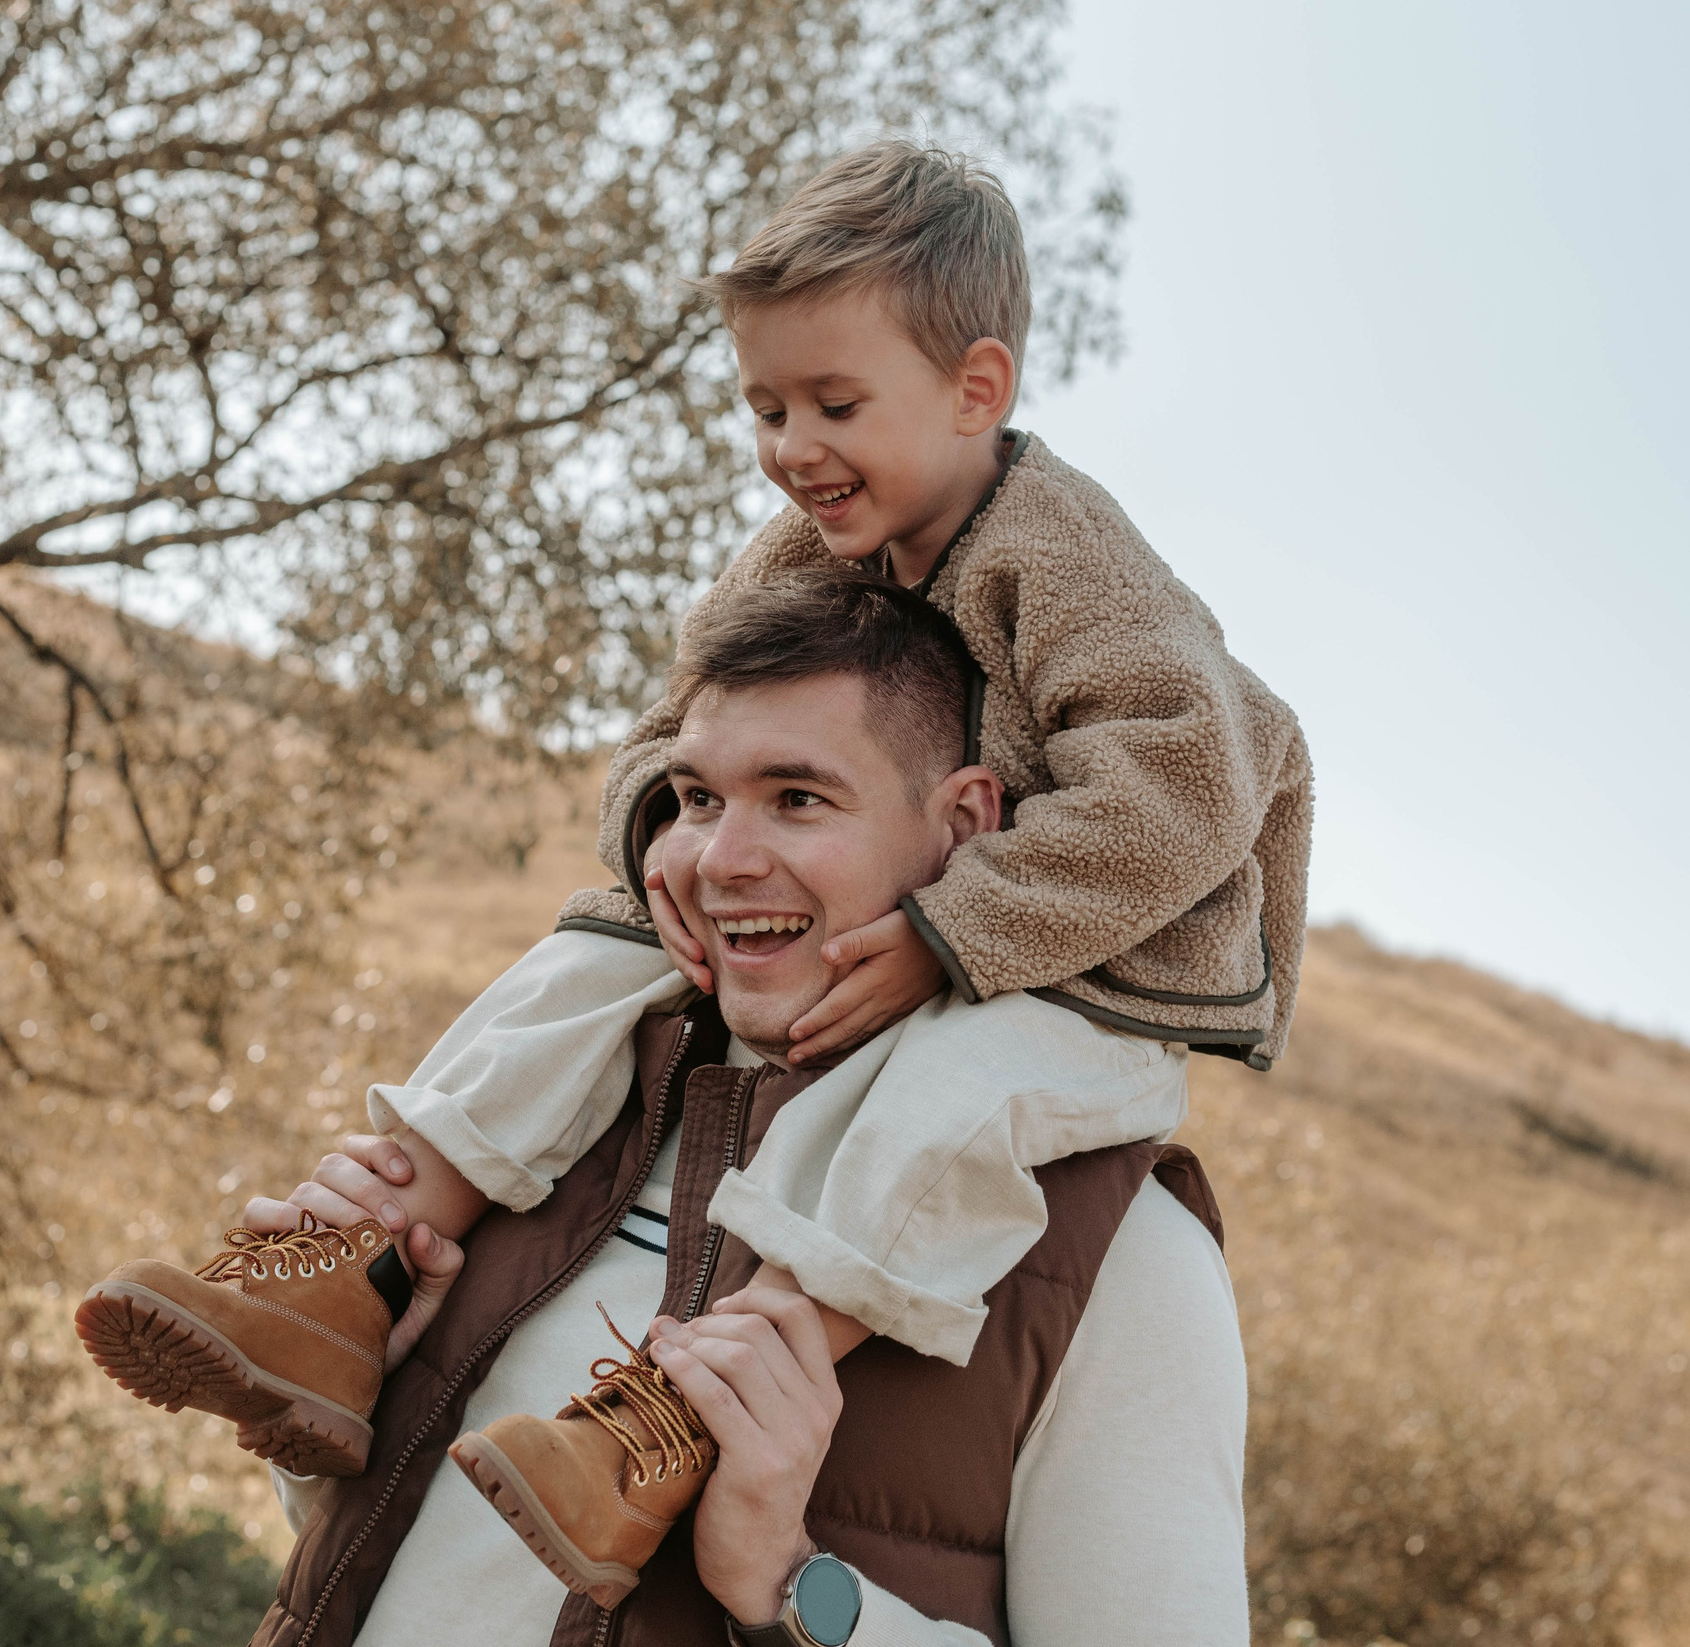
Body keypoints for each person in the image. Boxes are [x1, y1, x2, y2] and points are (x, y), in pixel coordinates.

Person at [240, 572, 1252, 1645]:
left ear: (963, 822)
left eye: (798, 797)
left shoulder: (1120, 1255)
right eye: (697, 798)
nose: (722, 860)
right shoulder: (558, 1120)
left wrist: (789, 1583)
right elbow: (391, 1573)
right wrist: (342, 1413)